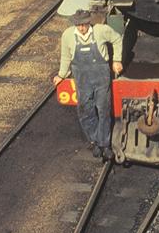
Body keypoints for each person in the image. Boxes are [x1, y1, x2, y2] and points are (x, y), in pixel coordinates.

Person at [53, 10, 123, 161]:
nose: (81, 28)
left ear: (88, 22)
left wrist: (117, 59)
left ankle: (105, 144)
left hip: (101, 77)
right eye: (78, 25)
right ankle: (95, 141)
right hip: (82, 79)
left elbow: (117, 39)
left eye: (84, 25)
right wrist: (61, 74)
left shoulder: (101, 30)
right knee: (85, 111)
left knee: (103, 110)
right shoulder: (68, 35)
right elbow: (65, 56)